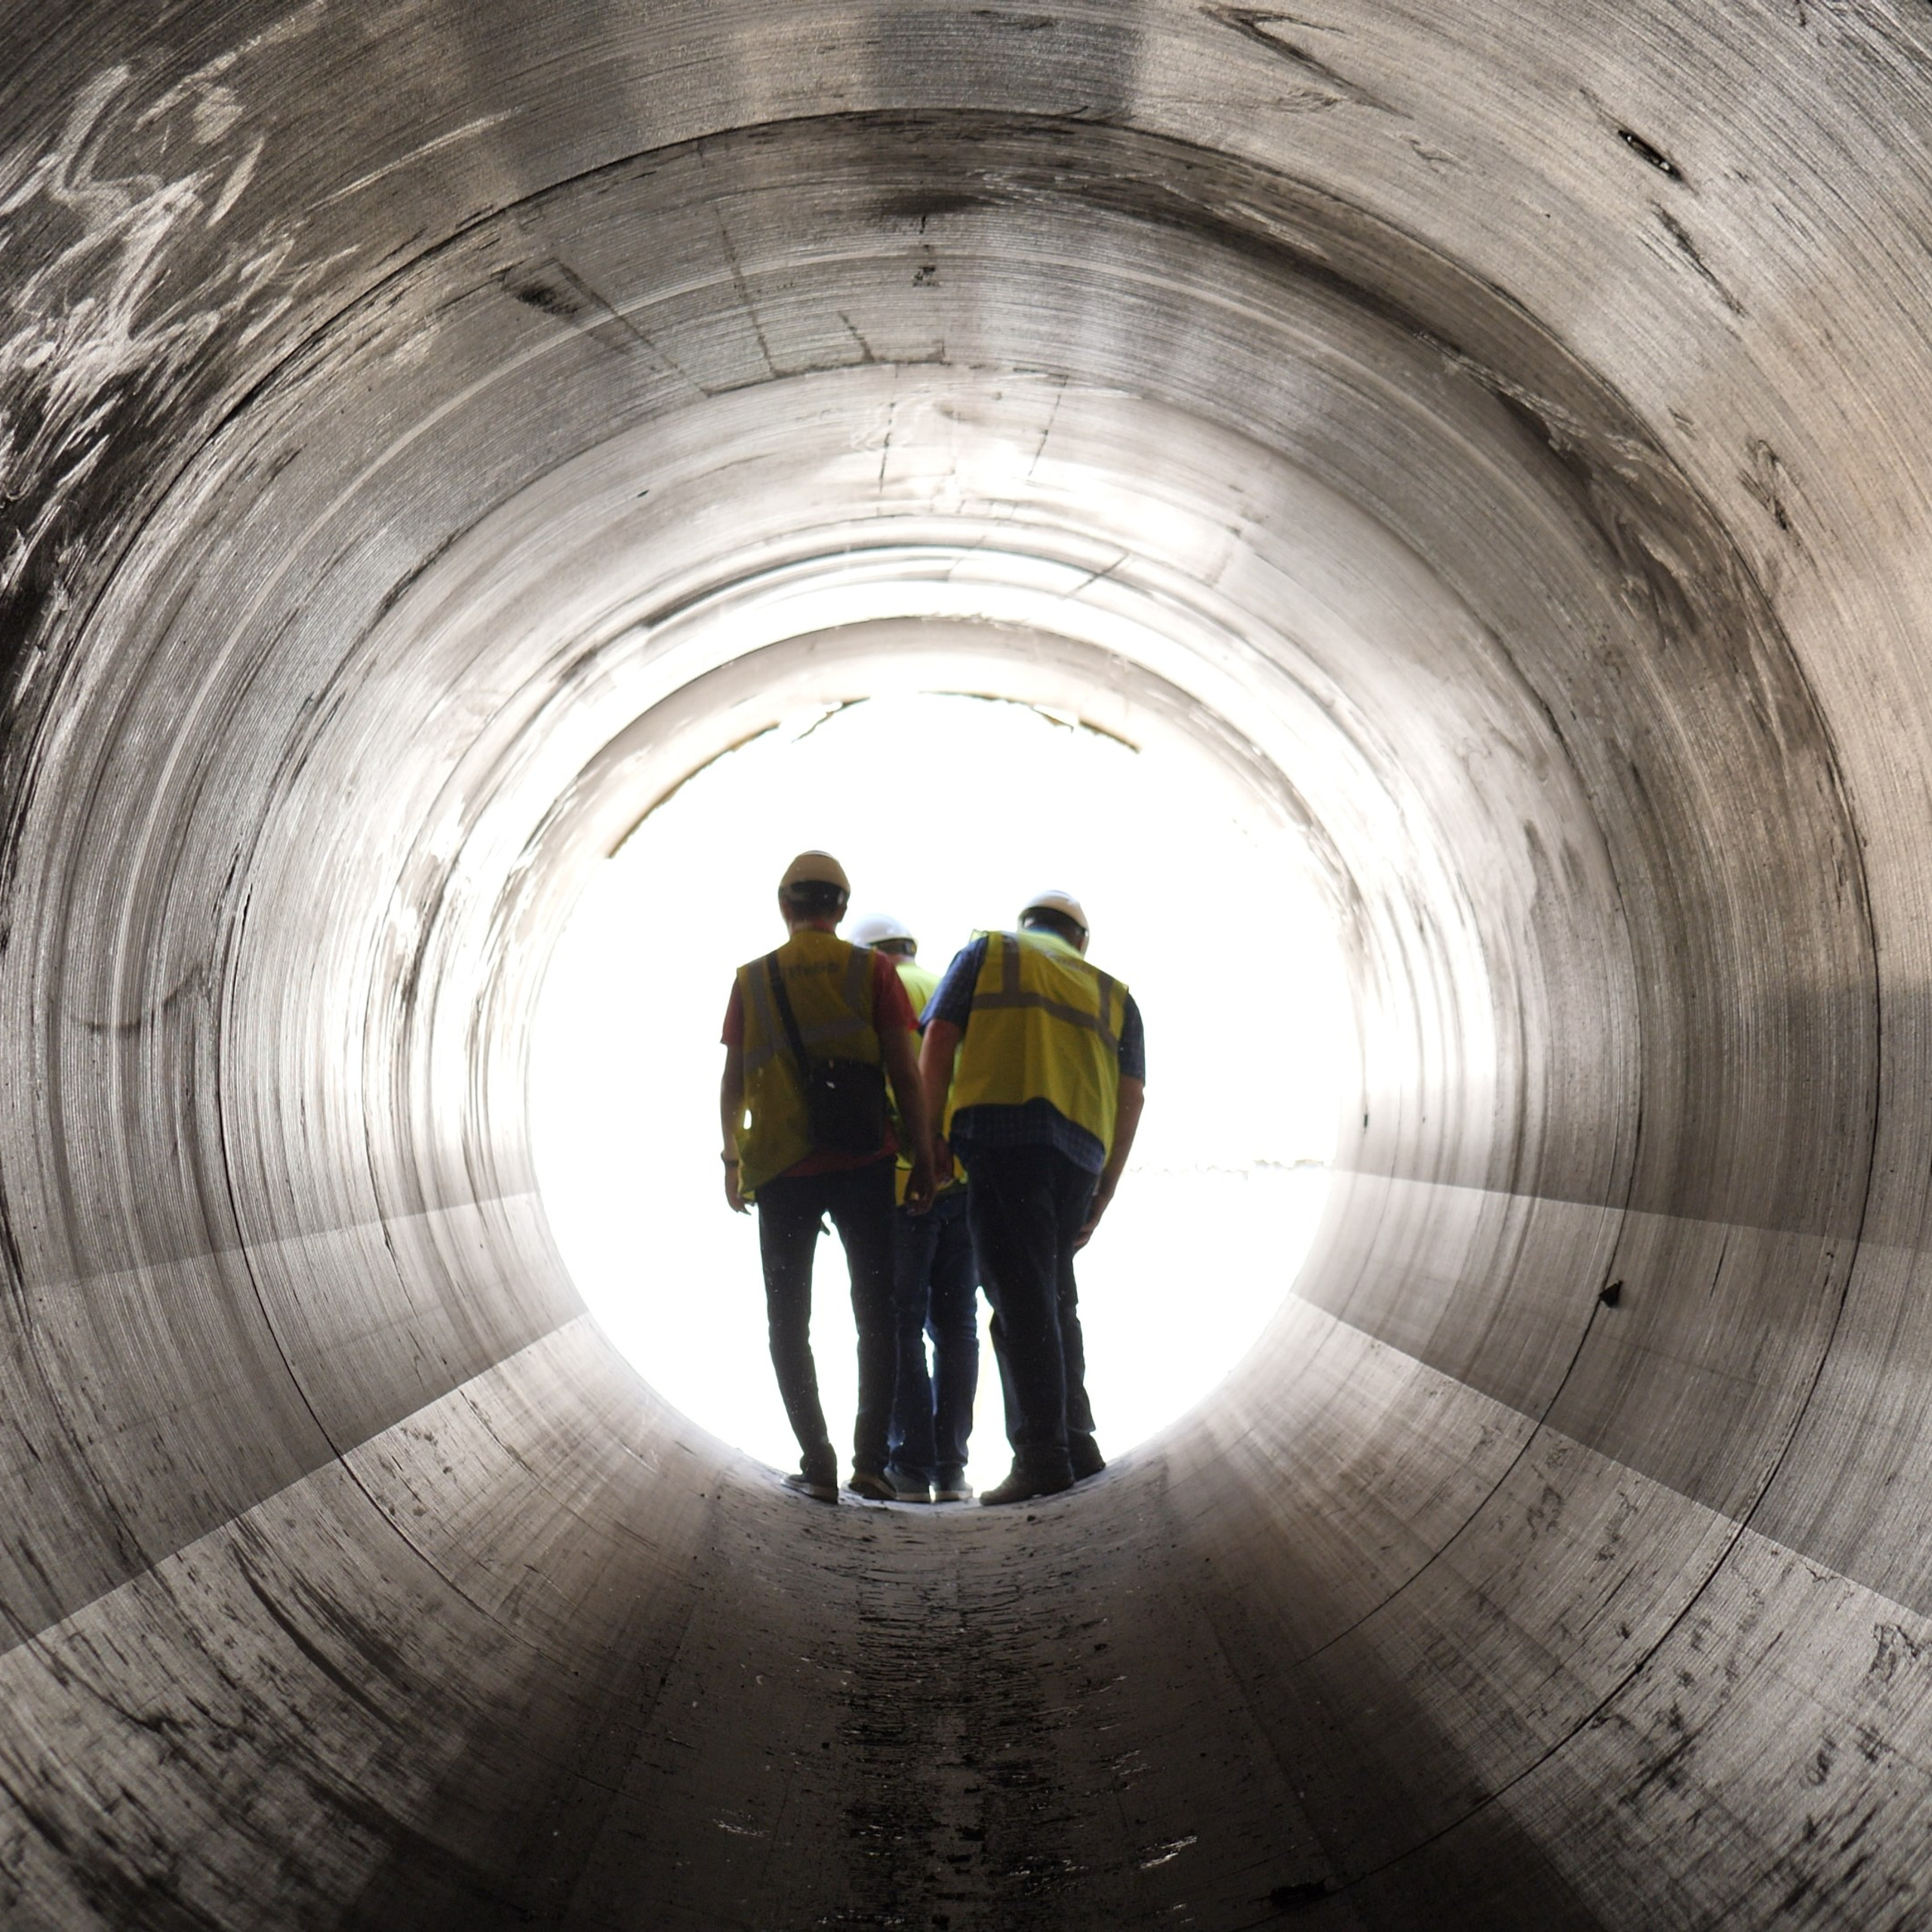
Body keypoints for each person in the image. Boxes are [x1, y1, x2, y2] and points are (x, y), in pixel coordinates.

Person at [721, 854, 936, 1504]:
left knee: (788, 1320)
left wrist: (732, 1159)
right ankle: (870, 1463)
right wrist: (923, 1158)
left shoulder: (752, 980)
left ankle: (817, 1460)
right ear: (840, 909)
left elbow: (732, 1084)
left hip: (781, 1169)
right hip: (864, 1162)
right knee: (878, 1314)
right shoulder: (871, 970)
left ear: (784, 905)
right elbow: (906, 1071)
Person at [918, 890, 1146, 1505]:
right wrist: (1108, 1186)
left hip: (1002, 1136)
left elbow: (938, 1035)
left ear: (1028, 925)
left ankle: (1043, 1455)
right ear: (1082, 941)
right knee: (1051, 1293)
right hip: (1078, 1155)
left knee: (1021, 1301)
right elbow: (1132, 1097)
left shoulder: (990, 952)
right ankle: (1076, 1438)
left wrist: (929, 1133)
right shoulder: (1114, 992)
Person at [851, 913, 980, 1506]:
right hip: (965, 1180)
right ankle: (953, 1469)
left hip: (904, 1184)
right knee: (957, 1328)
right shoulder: (945, 985)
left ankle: (911, 1465)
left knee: (899, 1324)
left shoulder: (875, 992)